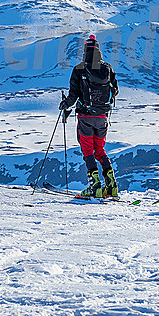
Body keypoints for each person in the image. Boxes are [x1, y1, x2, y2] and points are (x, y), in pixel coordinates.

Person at [60, 35, 120, 198]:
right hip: (103, 117)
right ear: (99, 51)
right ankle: (112, 186)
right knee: (100, 150)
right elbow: (115, 90)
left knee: (88, 152)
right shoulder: (107, 68)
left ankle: (95, 188)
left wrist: (65, 104)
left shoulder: (79, 69)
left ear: (85, 51)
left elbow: (73, 95)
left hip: (86, 117)